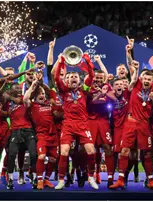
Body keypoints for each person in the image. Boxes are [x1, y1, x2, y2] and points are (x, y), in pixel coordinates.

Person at [109, 60, 153, 190]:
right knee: (124, 151)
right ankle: (120, 179)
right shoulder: (136, 86)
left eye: (150, 79)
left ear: (152, 80)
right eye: (145, 79)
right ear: (142, 79)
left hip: (144, 125)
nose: (147, 81)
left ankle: (150, 180)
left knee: (147, 153)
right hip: (130, 123)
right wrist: (136, 69)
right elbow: (132, 78)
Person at [53, 53, 99, 190]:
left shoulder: (84, 90)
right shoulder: (64, 91)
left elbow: (91, 76)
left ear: (79, 81)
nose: (73, 78)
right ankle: (61, 179)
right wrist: (61, 62)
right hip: (68, 125)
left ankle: (90, 177)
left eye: (76, 77)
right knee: (64, 151)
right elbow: (56, 77)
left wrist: (89, 62)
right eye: (71, 77)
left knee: (91, 150)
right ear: (67, 81)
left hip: (83, 124)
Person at [87, 55, 116, 187]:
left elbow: (105, 74)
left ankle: (110, 176)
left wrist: (99, 61)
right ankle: (92, 174)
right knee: (91, 150)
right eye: (96, 77)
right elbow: (91, 101)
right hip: (91, 121)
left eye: (101, 78)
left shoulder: (107, 88)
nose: (98, 79)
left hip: (104, 121)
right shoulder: (88, 89)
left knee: (107, 148)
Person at [1, 83, 38, 190]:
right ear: (11, 90)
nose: (18, 90)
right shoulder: (7, 103)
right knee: (11, 154)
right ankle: (11, 179)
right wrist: (2, 111)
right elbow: (1, 96)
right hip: (15, 131)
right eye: (15, 88)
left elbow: (27, 97)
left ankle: (35, 177)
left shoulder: (24, 98)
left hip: (28, 130)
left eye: (19, 88)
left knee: (33, 154)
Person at [24, 81, 57, 190]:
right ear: (35, 96)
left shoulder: (50, 103)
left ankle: (46, 179)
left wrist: (42, 83)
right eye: (39, 94)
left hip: (53, 135)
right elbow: (25, 99)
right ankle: (39, 180)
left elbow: (50, 91)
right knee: (41, 156)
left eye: (43, 94)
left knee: (53, 159)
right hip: (41, 135)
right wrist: (33, 86)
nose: (42, 95)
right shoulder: (32, 106)